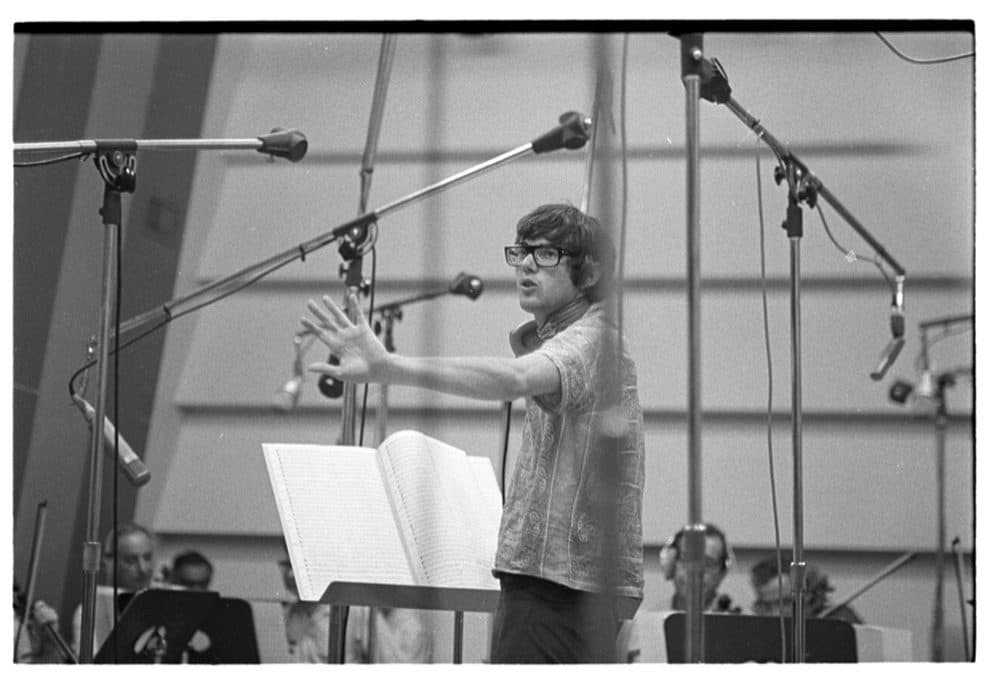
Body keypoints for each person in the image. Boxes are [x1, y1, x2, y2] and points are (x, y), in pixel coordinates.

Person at [301, 203, 646, 663]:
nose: (525, 263)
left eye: (546, 255)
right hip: (553, 586)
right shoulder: (568, 336)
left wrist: (388, 367)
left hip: (560, 590)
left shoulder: (592, 340)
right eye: (522, 252)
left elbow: (514, 379)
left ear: (589, 273)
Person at [278, 554, 433, 663]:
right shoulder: (290, 613)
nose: (290, 574)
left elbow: (386, 661)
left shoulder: (358, 610)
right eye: (288, 563)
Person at [71, 522, 156, 656]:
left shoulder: (160, 605)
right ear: (108, 562)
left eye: (147, 558)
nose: (143, 569)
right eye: (131, 560)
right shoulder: (92, 610)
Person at [750, 550, 863, 624]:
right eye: (767, 606)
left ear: (808, 595)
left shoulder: (841, 620)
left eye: (785, 602)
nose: (775, 613)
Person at [659, 523, 740, 614]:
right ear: (672, 564)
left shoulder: (741, 625)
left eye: (707, 564)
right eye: (687, 560)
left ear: (722, 573)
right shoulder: (650, 622)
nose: (695, 572)